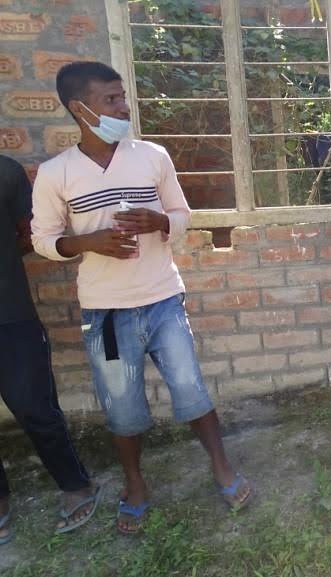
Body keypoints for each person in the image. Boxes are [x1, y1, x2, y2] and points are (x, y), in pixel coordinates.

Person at [30, 62, 252, 535]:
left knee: (191, 389)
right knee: (122, 405)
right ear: (79, 108)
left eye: (122, 97)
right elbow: (44, 240)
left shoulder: (152, 155)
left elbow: (181, 214)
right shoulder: (56, 173)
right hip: (106, 312)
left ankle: (221, 468)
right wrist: (90, 242)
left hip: (163, 299)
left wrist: (159, 222)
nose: (122, 107)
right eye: (110, 99)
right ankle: (135, 485)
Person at [0, 155, 101, 544]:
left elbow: (31, 234)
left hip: (9, 313)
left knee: (34, 406)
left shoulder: (5, 173)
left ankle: (76, 486)